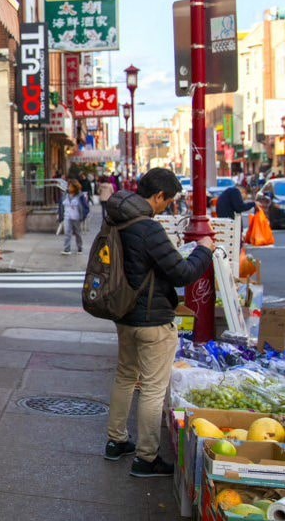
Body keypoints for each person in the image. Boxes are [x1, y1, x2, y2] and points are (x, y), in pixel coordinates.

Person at [102, 168, 215, 478]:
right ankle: (146, 458)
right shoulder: (147, 228)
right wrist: (204, 250)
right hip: (152, 320)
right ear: (159, 196)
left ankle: (116, 441)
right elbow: (182, 273)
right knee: (153, 389)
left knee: (125, 377)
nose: (168, 207)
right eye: (169, 201)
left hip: (124, 313)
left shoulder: (116, 218)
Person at [58, 180, 88, 254]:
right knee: (67, 233)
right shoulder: (65, 195)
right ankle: (67, 249)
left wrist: (83, 216)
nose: (69, 188)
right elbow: (61, 206)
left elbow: (86, 207)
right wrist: (60, 215)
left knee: (78, 233)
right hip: (67, 217)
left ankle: (79, 248)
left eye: (71, 186)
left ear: (75, 188)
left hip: (76, 218)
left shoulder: (80, 196)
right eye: (69, 186)